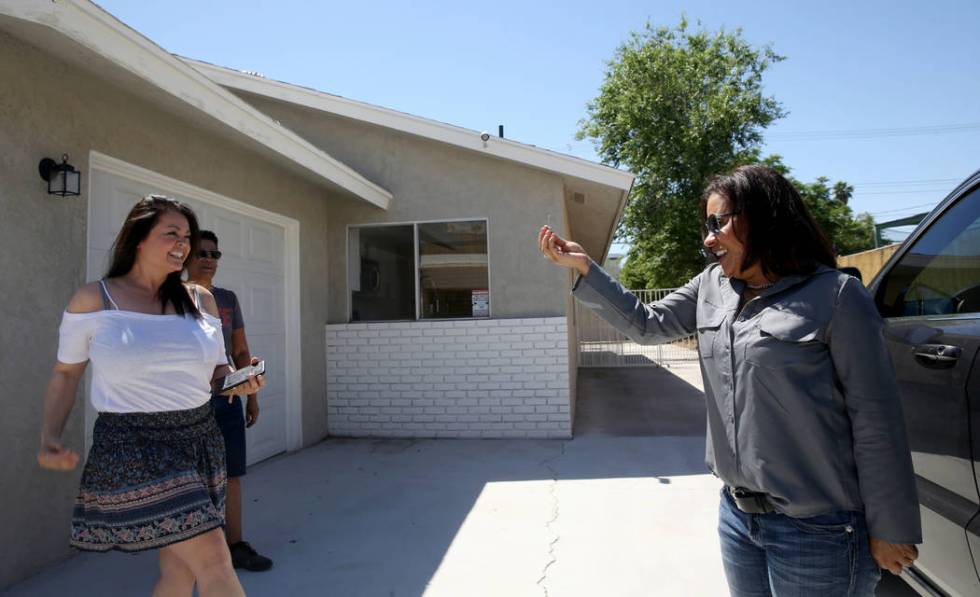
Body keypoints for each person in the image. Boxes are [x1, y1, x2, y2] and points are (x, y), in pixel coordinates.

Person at [539, 164, 921, 596]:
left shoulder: (835, 297)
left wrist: (891, 525)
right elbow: (647, 323)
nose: (708, 238)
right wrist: (586, 267)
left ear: (761, 218)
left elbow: (876, 419)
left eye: (718, 222)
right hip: (738, 519)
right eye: (707, 225)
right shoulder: (712, 286)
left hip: (820, 530)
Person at [38, 195, 264, 597]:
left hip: (198, 440)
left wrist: (238, 381)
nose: (183, 244)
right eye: (171, 234)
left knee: (181, 573)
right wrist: (50, 437)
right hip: (134, 445)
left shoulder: (201, 299)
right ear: (139, 238)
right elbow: (66, 373)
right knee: (215, 558)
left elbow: (217, 369)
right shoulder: (95, 299)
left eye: (187, 237)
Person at [186, 230, 273, 572]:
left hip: (228, 400)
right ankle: (193, 551)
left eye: (214, 254)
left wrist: (250, 395)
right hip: (189, 404)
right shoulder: (172, 297)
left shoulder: (227, 299)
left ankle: (235, 545)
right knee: (191, 478)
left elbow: (239, 350)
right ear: (187, 257)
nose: (208, 259)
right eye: (202, 253)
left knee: (232, 474)